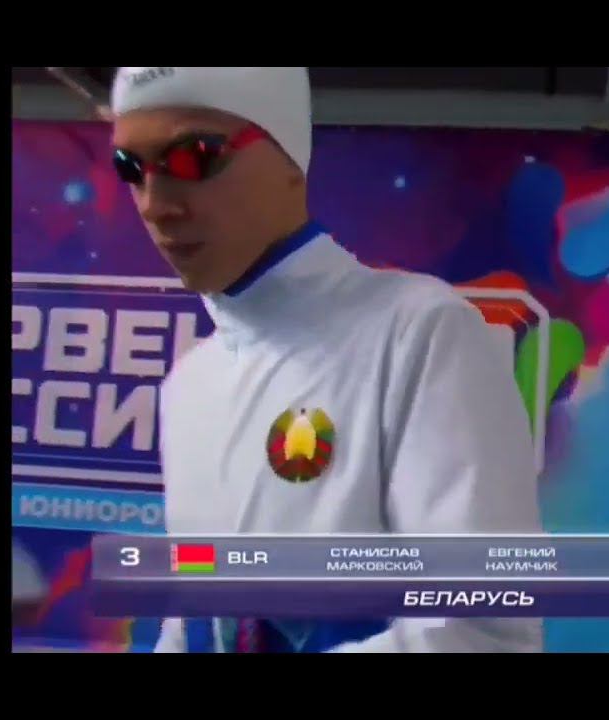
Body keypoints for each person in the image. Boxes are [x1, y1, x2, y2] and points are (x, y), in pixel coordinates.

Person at [109, 67, 543, 652]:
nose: (155, 204)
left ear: (290, 159)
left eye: (193, 158)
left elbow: (484, 626)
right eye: (130, 169)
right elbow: (194, 617)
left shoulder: (418, 333)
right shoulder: (191, 385)